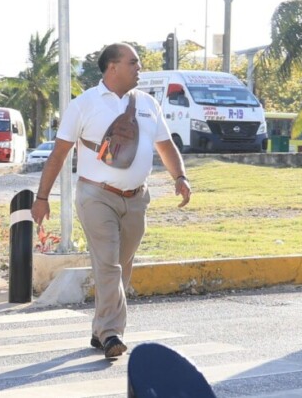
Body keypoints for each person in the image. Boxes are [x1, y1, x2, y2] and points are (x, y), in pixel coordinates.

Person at [30, 43, 192, 359]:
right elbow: (59, 153)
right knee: (109, 265)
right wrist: (42, 197)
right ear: (112, 67)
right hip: (96, 196)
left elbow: (165, 144)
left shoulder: (146, 104)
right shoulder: (84, 104)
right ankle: (111, 333)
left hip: (136, 199)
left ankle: (100, 328)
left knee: (123, 266)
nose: (139, 68)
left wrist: (180, 178)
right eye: (133, 63)